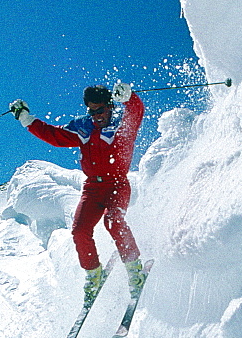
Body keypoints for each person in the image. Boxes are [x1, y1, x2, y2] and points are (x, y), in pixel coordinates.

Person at [9, 81, 145, 304]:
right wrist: (27, 119)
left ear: (109, 106)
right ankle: (94, 273)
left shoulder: (122, 124)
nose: (96, 116)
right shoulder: (84, 128)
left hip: (117, 185)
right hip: (93, 188)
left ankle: (134, 269)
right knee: (80, 230)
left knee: (113, 222)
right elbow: (54, 136)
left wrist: (130, 97)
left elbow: (136, 111)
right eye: (92, 111)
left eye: (100, 110)